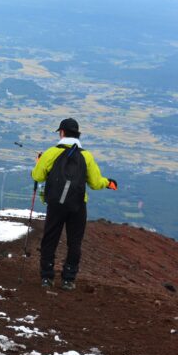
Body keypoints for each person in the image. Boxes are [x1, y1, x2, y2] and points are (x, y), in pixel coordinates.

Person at [31, 118, 117, 290]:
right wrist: (108, 182)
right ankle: (68, 279)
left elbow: (37, 176)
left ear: (61, 132)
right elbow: (94, 182)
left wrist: (39, 162)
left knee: (50, 239)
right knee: (74, 242)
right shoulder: (86, 155)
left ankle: (47, 278)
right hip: (78, 205)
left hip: (56, 204)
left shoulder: (51, 153)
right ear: (77, 134)